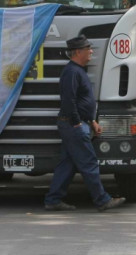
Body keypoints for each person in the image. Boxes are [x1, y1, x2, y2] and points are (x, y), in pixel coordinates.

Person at [44, 35, 126, 211]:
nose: (91, 51)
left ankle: (53, 200)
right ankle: (102, 200)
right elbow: (69, 100)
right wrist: (76, 123)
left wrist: (92, 121)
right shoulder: (72, 72)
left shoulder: (78, 71)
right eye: (88, 48)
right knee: (89, 163)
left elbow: (82, 101)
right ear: (77, 52)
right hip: (73, 125)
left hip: (78, 123)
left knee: (67, 164)